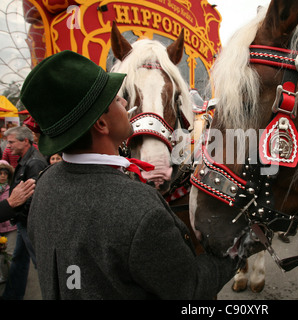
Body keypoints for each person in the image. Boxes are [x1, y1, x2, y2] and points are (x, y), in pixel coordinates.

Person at [21, 50, 239, 299]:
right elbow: (190, 287)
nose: (126, 103)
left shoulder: (46, 182)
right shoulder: (139, 207)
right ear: (101, 125)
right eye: (117, 99)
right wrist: (239, 248)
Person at [0, 126, 47, 300]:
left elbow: (32, 197)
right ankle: (12, 295)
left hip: (27, 222)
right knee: (19, 260)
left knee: (39, 263)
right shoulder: (26, 160)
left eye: (11, 142)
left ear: (25, 141)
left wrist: (21, 216)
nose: (8, 146)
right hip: (22, 221)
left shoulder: (34, 163)